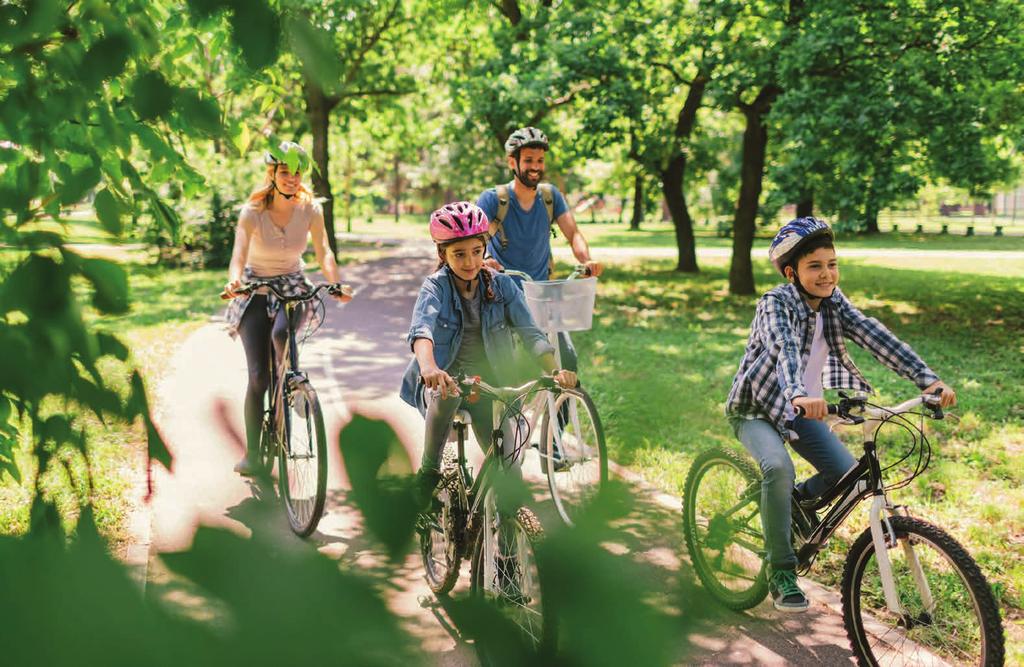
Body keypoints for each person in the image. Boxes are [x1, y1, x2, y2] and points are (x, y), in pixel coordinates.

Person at [724, 216, 956, 612]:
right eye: (815, 266)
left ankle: (788, 506)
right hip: (758, 408)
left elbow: (875, 335)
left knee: (848, 478)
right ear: (791, 272)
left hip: (801, 408)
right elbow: (784, 350)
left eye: (832, 264)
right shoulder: (774, 304)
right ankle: (780, 570)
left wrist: (926, 380)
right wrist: (799, 393)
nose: (827, 274)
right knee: (778, 468)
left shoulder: (835, 303)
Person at [399, 202, 578, 498]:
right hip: (445, 381)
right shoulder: (435, 287)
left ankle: (507, 536)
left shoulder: (503, 286)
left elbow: (530, 332)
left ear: (484, 249)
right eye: (459, 254)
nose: (470, 261)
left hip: (488, 387)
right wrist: (429, 368)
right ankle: (429, 471)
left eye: (476, 251)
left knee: (510, 474)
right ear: (442, 254)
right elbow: (423, 331)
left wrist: (555, 371)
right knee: (447, 393)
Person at [223, 141, 351, 476]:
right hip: (254, 288)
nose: (292, 179)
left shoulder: (311, 209)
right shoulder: (252, 212)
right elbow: (238, 255)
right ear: (273, 175)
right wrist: (233, 281)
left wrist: (335, 282)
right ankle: (253, 454)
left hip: (293, 284)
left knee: (282, 334)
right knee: (258, 377)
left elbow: (324, 252)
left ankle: (292, 384)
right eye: (285, 172)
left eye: (297, 172)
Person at [476, 126, 603, 376]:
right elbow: (478, 242)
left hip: (542, 294)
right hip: (504, 295)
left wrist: (587, 260)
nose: (535, 166)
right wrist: (487, 259)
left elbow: (573, 233)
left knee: (566, 360)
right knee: (505, 369)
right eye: (528, 160)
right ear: (513, 162)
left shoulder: (550, 197)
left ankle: (561, 414)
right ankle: (508, 412)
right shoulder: (495, 200)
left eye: (540, 160)